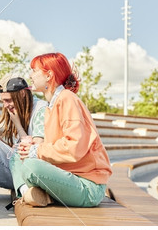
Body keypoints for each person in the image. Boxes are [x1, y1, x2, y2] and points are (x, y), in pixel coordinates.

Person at [10, 52, 112, 207]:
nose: (30, 75)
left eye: (34, 70)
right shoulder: (52, 104)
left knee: (32, 166)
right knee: (18, 155)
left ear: (49, 75)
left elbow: (74, 147)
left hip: (87, 185)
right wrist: (30, 149)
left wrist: (36, 151)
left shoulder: (66, 99)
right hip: (67, 177)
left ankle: (37, 194)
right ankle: (27, 193)